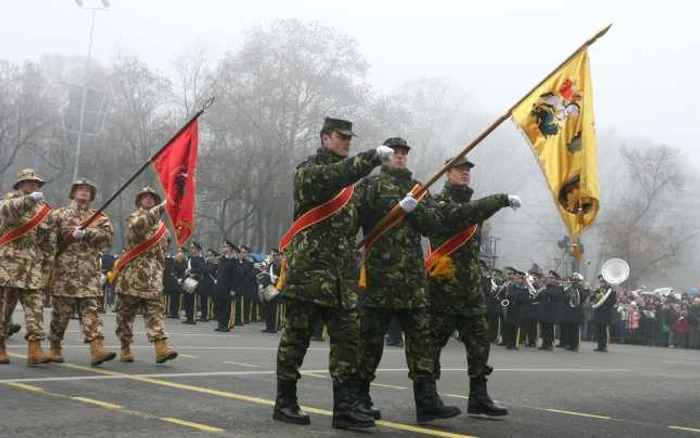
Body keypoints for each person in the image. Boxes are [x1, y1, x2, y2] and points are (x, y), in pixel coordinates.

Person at [273, 117, 388, 429]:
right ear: (325, 138)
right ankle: (285, 400)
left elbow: (364, 220)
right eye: (341, 137)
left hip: (340, 279)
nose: (347, 141)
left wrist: (400, 208)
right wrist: (371, 158)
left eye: (350, 137)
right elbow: (335, 175)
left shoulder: (350, 189)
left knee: (348, 343)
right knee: (296, 339)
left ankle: (345, 408)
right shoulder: (309, 172)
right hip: (309, 274)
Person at [355, 137, 461, 424]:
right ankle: (359, 398)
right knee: (370, 343)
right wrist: (393, 209)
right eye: (394, 153)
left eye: (403, 153)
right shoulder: (370, 185)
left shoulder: (417, 189)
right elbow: (356, 221)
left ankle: (427, 401)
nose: (400, 156)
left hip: (412, 281)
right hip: (380, 277)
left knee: (421, 343)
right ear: (384, 157)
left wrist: (415, 210)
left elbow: (433, 225)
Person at [427, 155, 518, 417]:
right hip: (444, 287)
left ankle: (478, 397)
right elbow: (460, 217)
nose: (465, 173)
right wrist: (500, 199)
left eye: (467, 169)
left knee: (480, 343)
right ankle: (429, 398)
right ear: (447, 173)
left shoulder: (475, 206)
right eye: (459, 169)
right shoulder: (439, 203)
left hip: (469, 290)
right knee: (432, 344)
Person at [47, 178, 116, 366]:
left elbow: (107, 238)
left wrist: (88, 233)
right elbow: (49, 241)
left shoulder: (99, 218)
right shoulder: (59, 215)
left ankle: (96, 348)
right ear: (73, 192)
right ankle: (54, 347)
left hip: (88, 273)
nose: (84, 192)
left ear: (92, 195)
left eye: (88, 190)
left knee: (91, 311)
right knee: (61, 314)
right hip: (64, 273)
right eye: (80, 189)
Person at [113, 187, 177, 364]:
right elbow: (139, 226)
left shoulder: (163, 228)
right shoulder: (134, 217)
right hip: (132, 276)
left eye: (152, 197)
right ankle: (125, 347)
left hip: (153, 277)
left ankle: (160, 347)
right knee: (125, 315)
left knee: (155, 313)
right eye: (145, 197)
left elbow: (164, 248)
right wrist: (161, 208)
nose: (148, 199)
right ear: (139, 201)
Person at [0, 169, 54, 365]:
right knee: (4, 309)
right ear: (20, 185)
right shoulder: (9, 200)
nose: (32, 185)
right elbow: (8, 211)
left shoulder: (45, 210)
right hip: (9, 266)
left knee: (36, 309)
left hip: (32, 267)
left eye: (35, 182)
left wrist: (46, 268)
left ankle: (35, 349)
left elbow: (49, 242)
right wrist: (29, 200)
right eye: (27, 182)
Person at [561, 273, 590, 351]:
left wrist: (582, 289)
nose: (574, 282)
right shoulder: (570, 289)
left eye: (576, 281)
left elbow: (583, 298)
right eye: (574, 280)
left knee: (576, 329)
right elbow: (565, 298)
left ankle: (575, 345)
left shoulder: (582, 289)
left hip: (577, 311)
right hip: (570, 311)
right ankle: (570, 344)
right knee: (570, 329)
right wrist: (569, 295)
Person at [214, 240, 239, 332]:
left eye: (226, 247)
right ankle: (220, 324)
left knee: (226, 307)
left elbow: (235, 277)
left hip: (228, 288)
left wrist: (233, 289)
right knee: (219, 306)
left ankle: (226, 325)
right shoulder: (222, 259)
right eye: (223, 246)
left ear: (230, 249)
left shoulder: (233, 261)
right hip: (220, 287)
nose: (224, 248)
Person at [537, 271, 564, 350]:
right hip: (543, 311)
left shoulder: (558, 288)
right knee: (544, 328)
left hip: (551, 312)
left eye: (551, 278)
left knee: (549, 329)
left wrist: (545, 290)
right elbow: (539, 296)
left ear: (555, 279)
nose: (549, 279)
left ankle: (550, 344)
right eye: (549, 278)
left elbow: (554, 294)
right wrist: (541, 290)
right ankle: (544, 343)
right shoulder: (546, 287)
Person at [592, 274, 617, 352]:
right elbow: (592, 299)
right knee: (598, 330)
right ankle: (599, 345)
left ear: (606, 282)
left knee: (604, 330)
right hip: (598, 313)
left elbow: (613, 301)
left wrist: (603, 299)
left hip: (606, 313)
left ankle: (604, 346)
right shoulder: (597, 290)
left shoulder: (610, 291)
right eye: (600, 282)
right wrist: (593, 295)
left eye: (603, 282)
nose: (601, 283)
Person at [182, 242, 205, 325]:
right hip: (188, 280)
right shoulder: (190, 258)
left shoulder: (199, 258)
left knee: (192, 300)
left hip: (195, 281)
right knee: (187, 300)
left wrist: (191, 271)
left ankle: (192, 318)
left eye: (193, 248)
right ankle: (188, 317)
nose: (191, 250)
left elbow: (201, 268)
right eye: (191, 248)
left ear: (197, 250)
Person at [198, 249, 218, 322]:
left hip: (211, 285)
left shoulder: (216, 265)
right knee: (203, 301)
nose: (209, 257)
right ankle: (204, 315)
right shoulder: (205, 263)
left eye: (211, 256)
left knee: (212, 301)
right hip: (204, 284)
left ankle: (213, 314)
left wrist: (203, 265)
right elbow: (201, 269)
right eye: (208, 255)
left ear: (214, 257)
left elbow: (208, 270)